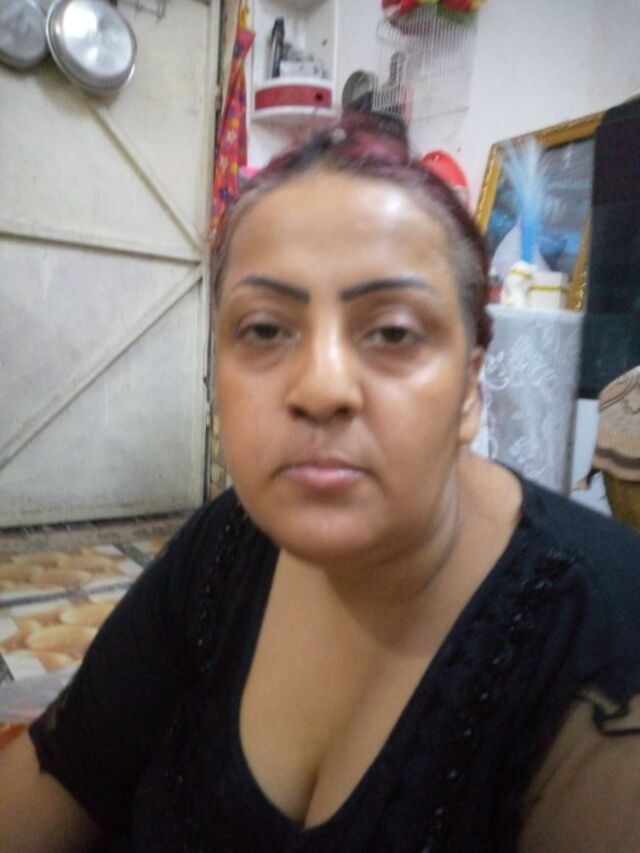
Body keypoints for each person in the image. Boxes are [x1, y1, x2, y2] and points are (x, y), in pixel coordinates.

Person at [1, 110, 640, 853]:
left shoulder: (598, 644)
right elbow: (65, 771)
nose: (322, 387)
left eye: (394, 331)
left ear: (471, 389)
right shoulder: (225, 547)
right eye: (264, 329)